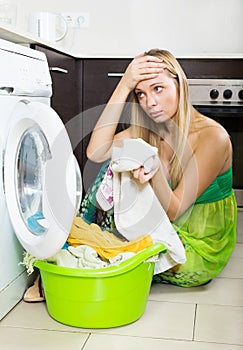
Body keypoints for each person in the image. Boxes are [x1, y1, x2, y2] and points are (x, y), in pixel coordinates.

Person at [80, 49, 237, 287]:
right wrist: (124, 85)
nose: (150, 102)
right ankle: (90, 248)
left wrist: (154, 173)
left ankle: (91, 253)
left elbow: (174, 210)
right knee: (111, 163)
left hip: (198, 245)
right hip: (160, 223)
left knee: (122, 256)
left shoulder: (212, 137)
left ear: (179, 85)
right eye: (140, 94)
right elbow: (96, 151)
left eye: (158, 89)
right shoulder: (148, 128)